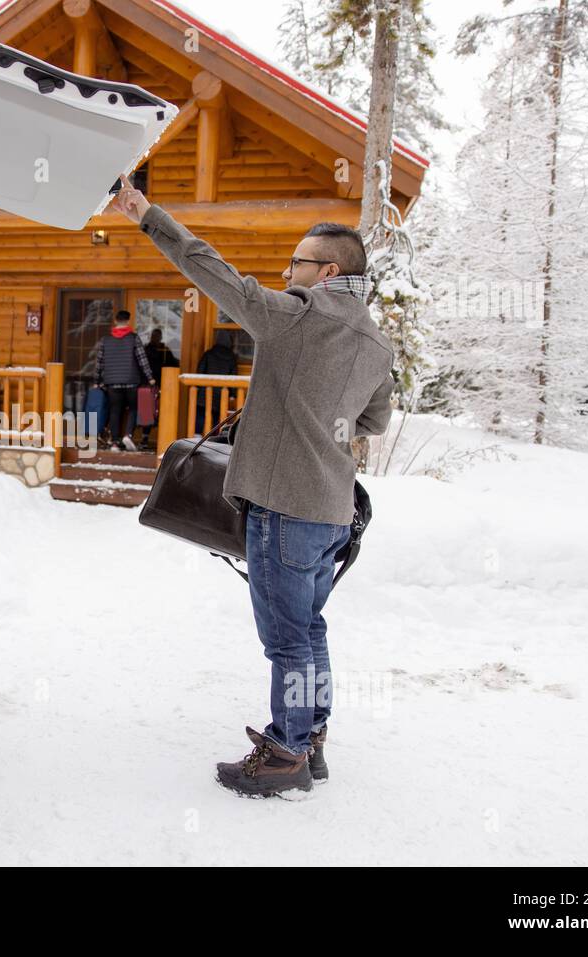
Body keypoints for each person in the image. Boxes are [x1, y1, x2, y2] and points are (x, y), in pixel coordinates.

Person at [111, 174, 395, 798]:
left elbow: (215, 274)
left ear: (325, 273)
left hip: (286, 509)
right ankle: (310, 734)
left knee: (288, 639)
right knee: (309, 628)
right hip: (331, 510)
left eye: (296, 260)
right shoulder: (376, 340)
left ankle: (287, 754)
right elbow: (371, 422)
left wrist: (147, 213)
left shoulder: (297, 317)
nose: (286, 269)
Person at [95, 309, 155, 451]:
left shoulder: (105, 340)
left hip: (112, 382)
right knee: (134, 408)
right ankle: (128, 435)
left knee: (115, 410)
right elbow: (142, 360)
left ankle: (115, 442)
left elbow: (99, 362)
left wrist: (96, 380)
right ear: (128, 321)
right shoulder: (133, 338)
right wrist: (150, 377)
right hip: (131, 381)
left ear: (115, 321)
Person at [195, 328, 238, 433]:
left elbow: (200, 370)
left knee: (201, 413)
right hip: (221, 394)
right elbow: (233, 376)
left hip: (205, 392)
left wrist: (197, 387)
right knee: (216, 417)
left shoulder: (208, 353)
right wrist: (232, 394)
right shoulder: (232, 357)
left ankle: (196, 435)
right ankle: (214, 437)